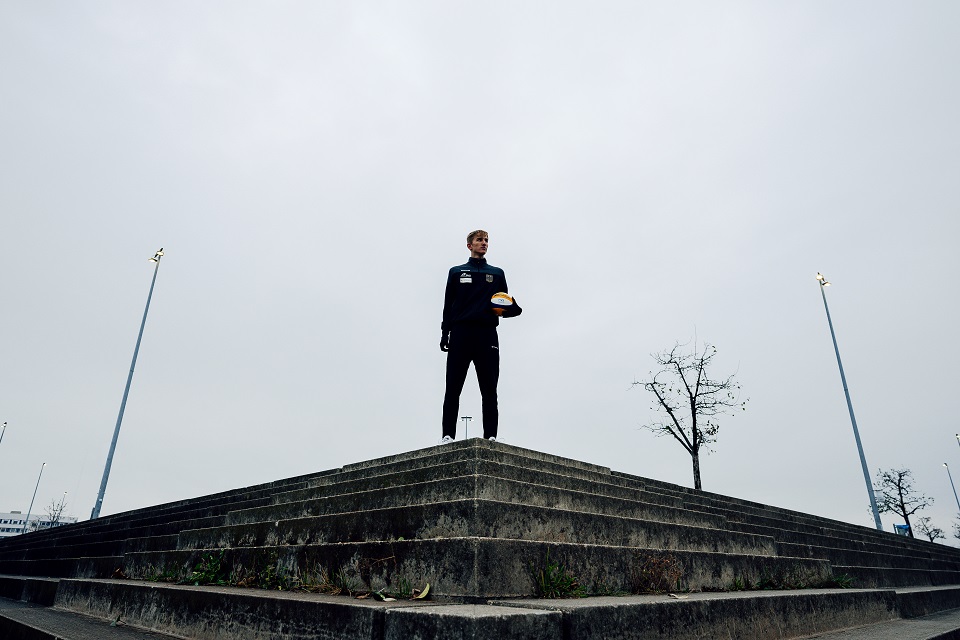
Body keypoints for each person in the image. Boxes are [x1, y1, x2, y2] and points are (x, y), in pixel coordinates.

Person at [440, 229, 521, 444]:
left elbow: (509, 305)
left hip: (487, 335)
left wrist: (507, 310)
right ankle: (448, 435)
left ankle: (491, 435)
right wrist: (444, 332)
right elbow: (448, 305)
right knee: (453, 387)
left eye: (486, 240)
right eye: (479, 240)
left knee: (489, 388)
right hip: (460, 333)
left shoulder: (497, 273)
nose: (484, 243)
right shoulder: (457, 272)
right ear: (469, 245)